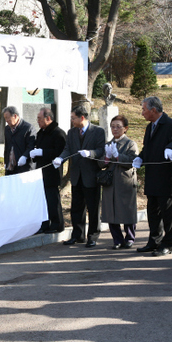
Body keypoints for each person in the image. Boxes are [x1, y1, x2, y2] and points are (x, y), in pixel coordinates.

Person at [132, 96, 172, 256]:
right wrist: (140, 157)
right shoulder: (150, 127)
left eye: (144, 109)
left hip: (167, 179)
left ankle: (168, 244)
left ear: (153, 110)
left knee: (168, 215)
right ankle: (154, 241)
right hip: (153, 178)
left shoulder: (171, 124)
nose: (142, 113)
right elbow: (148, 148)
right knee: (153, 213)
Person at [53, 105, 105, 247]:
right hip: (77, 176)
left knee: (93, 208)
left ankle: (93, 236)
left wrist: (90, 153)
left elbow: (101, 150)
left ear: (82, 118)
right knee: (76, 207)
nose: (72, 121)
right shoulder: (71, 132)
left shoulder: (98, 131)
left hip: (91, 175)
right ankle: (78, 235)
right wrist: (60, 159)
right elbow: (67, 149)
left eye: (73, 118)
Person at [98, 115, 139, 249]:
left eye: (118, 126)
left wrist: (117, 156)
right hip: (110, 183)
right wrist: (106, 158)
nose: (115, 129)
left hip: (125, 182)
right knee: (111, 211)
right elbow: (99, 164)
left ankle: (130, 238)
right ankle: (117, 239)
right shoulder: (108, 144)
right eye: (112, 126)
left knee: (127, 210)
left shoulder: (130, 144)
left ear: (125, 128)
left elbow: (132, 161)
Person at [30, 107, 66, 233]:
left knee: (52, 200)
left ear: (48, 118)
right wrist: (34, 154)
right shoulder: (41, 132)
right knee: (42, 200)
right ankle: (44, 224)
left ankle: (57, 224)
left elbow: (60, 152)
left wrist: (42, 152)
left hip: (52, 172)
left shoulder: (58, 133)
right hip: (40, 171)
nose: (38, 121)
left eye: (40, 118)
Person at [2, 106, 36, 175]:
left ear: (15, 116)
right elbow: (7, 146)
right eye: (5, 118)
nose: (6, 120)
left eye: (7, 118)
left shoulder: (28, 128)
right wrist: (6, 161)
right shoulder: (7, 129)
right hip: (10, 167)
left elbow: (31, 146)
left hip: (24, 168)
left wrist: (24, 156)